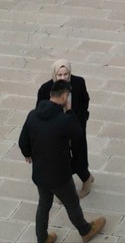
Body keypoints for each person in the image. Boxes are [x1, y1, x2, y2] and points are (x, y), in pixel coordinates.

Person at [18, 79, 105, 243]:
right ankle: (85, 231)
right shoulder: (64, 120)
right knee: (72, 204)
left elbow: (22, 141)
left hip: (40, 174)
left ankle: (42, 238)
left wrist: (27, 153)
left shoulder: (33, 115)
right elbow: (78, 134)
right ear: (65, 97)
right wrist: (70, 112)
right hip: (60, 176)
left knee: (44, 205)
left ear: (51, 95)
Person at [35, 61, 93, 198]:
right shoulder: (46, 88)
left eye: (66, 74)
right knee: (62, 156)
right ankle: (70, 186)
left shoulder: (78, 82)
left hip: (74, 123)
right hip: (56, 128)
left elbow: (85, 99)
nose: (63, 78)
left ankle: (86, 178)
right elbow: (40, 107)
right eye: (59, 74)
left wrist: (83, 116)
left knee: (79, 152)